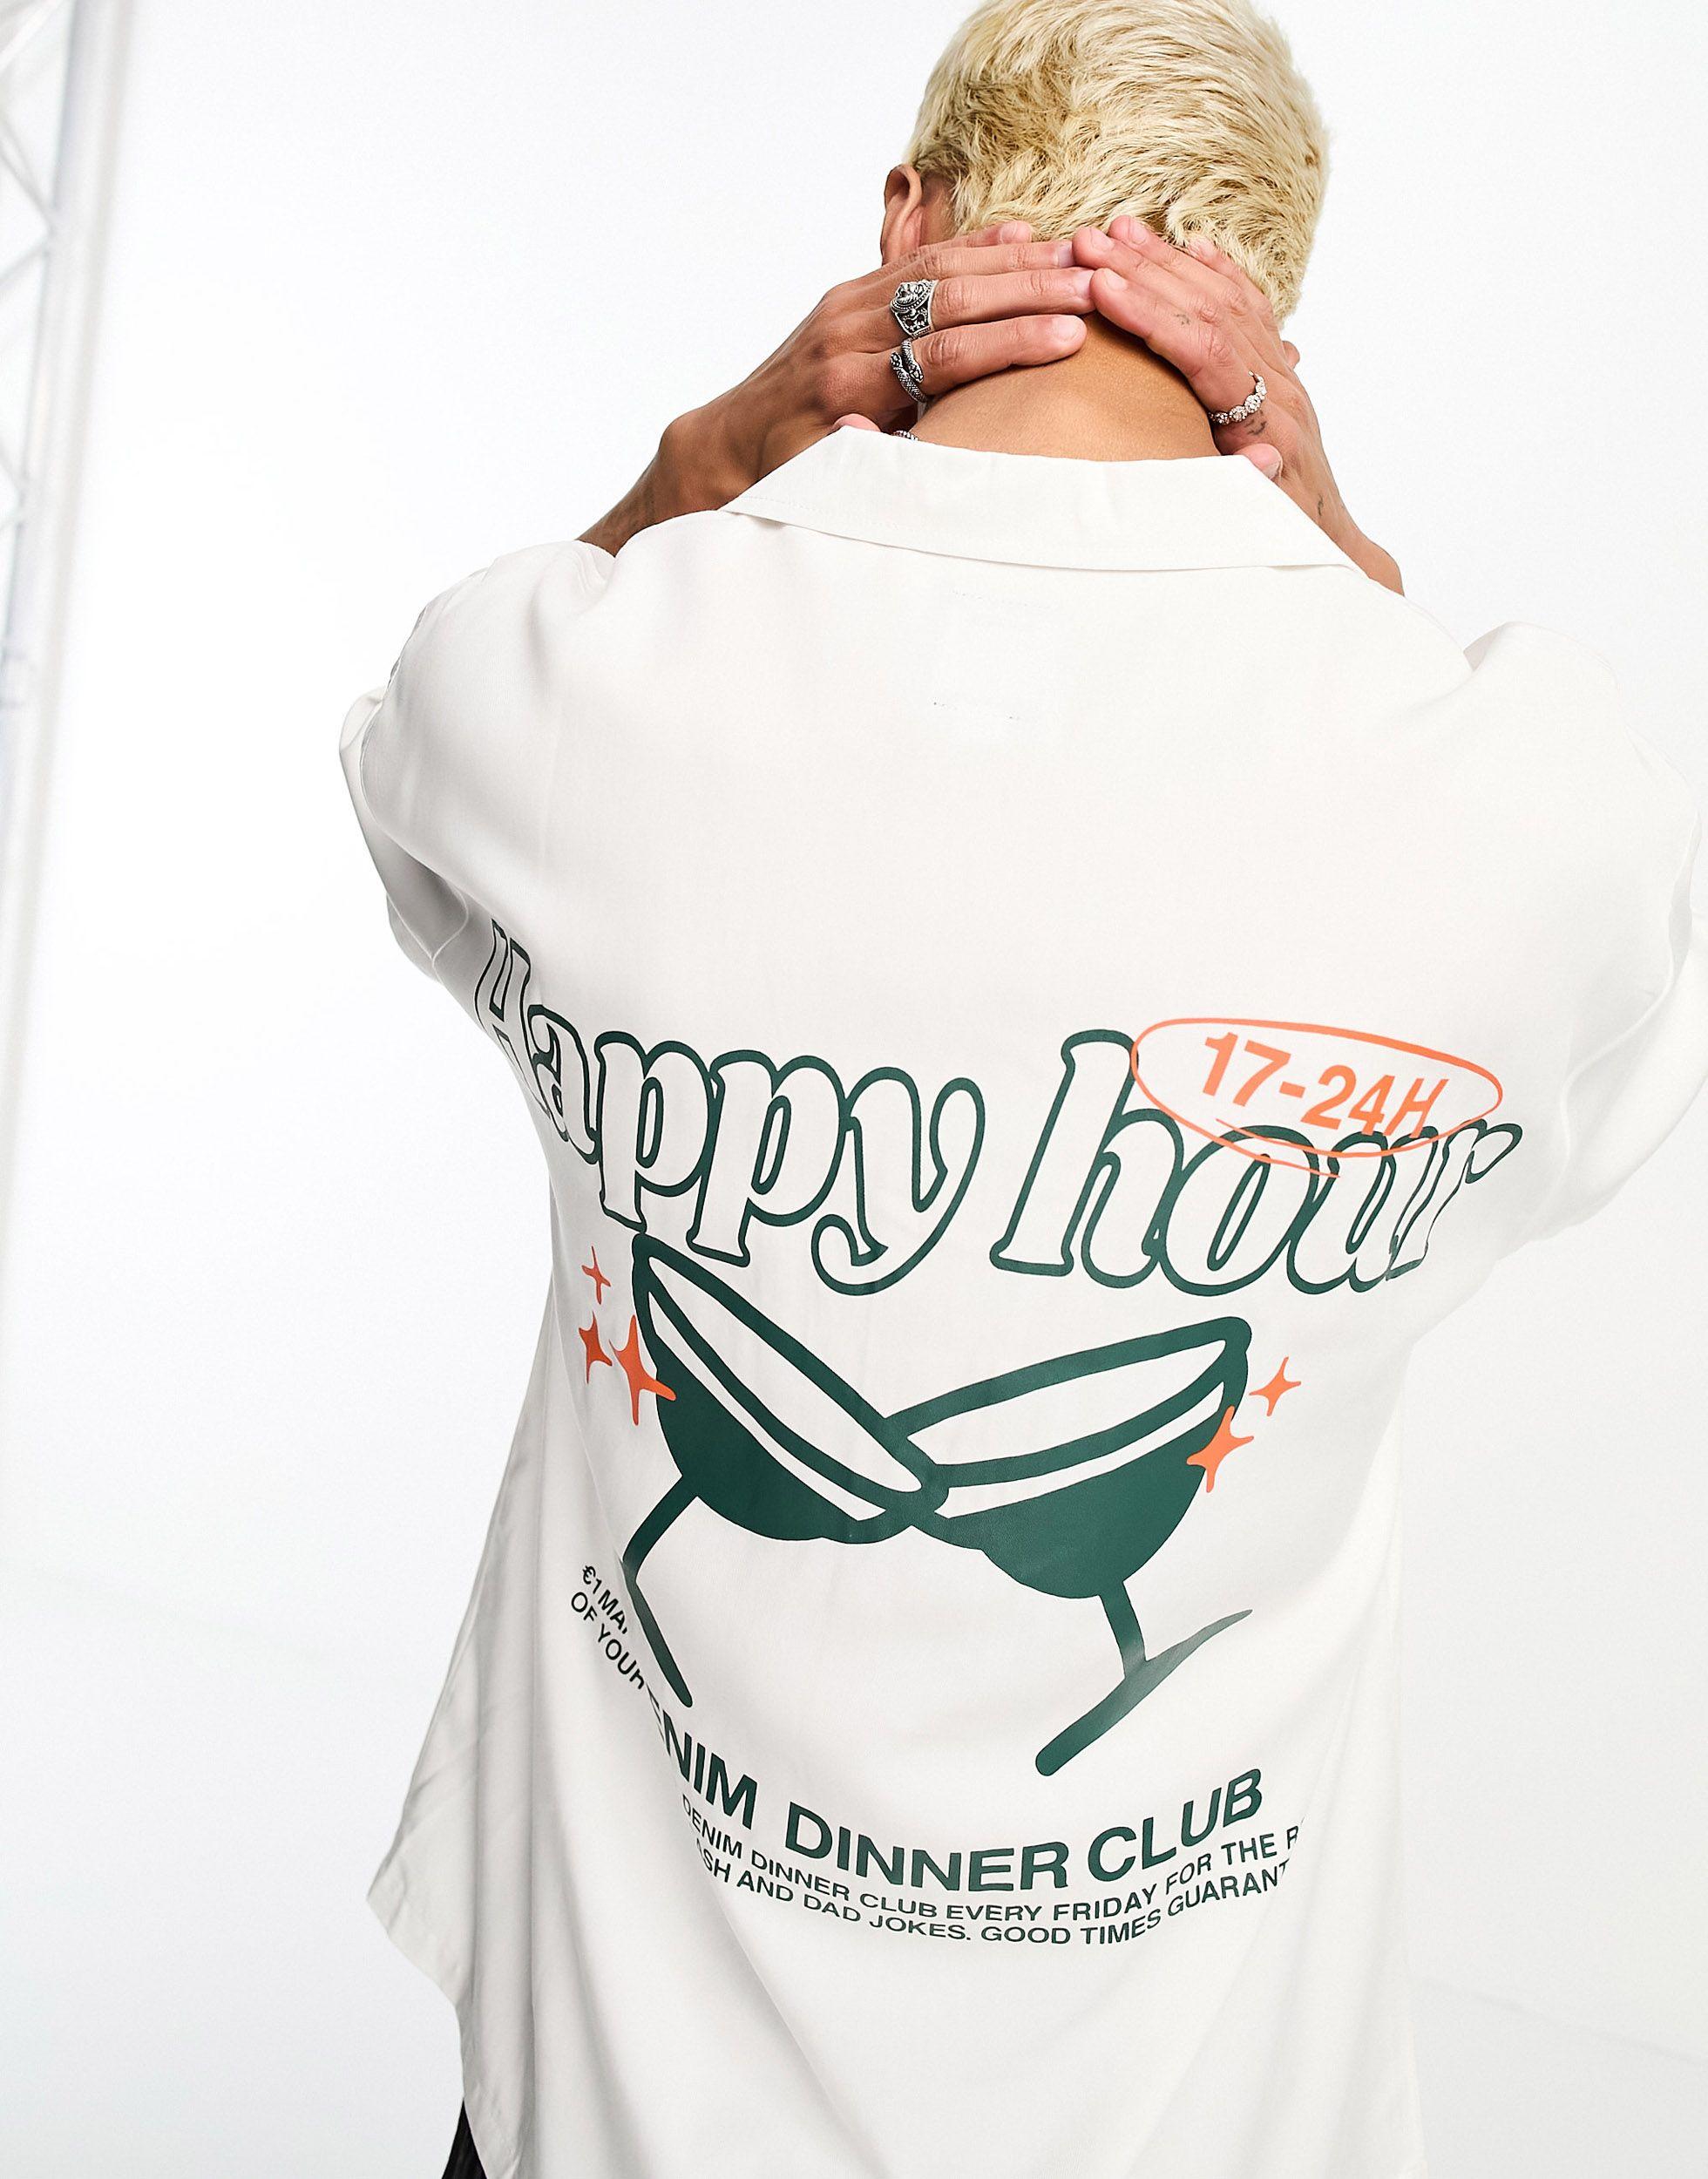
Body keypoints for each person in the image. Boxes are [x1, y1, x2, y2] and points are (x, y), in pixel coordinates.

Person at [340, 3, 1707, 2175]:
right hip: (1189, 2117)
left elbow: (404, 767)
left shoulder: (588, 676)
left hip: (606, 2099)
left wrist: (705, 455)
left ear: (909, 219)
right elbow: (1592, 1066)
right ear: (1259, 309)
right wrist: (1336, 563)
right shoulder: (1524, 803)